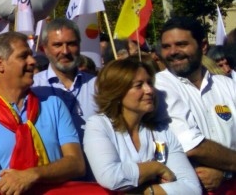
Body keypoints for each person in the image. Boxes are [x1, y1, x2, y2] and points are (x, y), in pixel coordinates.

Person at [0, 32, 85, 194]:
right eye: (23, 56)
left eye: (31, 55)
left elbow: (76, 163)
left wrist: (32, 174)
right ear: (0, 64)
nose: (33, 61)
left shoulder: (53, 104)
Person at [84, 58, 201, 194]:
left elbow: (192, 189)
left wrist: (148, 191)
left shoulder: (161, 130)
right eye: (139, 85)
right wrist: (156, 168)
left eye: (150, 83)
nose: (149, 90)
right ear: (117, 91)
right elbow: (110, 177)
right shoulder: (98, 125)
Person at [155, 17, 236, 192]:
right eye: (166, 47)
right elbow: (191, 146)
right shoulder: (158, 86)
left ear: (203, 46)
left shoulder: (227, 85)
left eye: (181, 44)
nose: (173, 52)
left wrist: (225, 172)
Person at [32, 18, 97, 142]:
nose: (65, 51)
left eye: (71, 44)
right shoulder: (34, 87)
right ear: (44, 48)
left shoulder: (98, 85)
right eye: (57, 45)